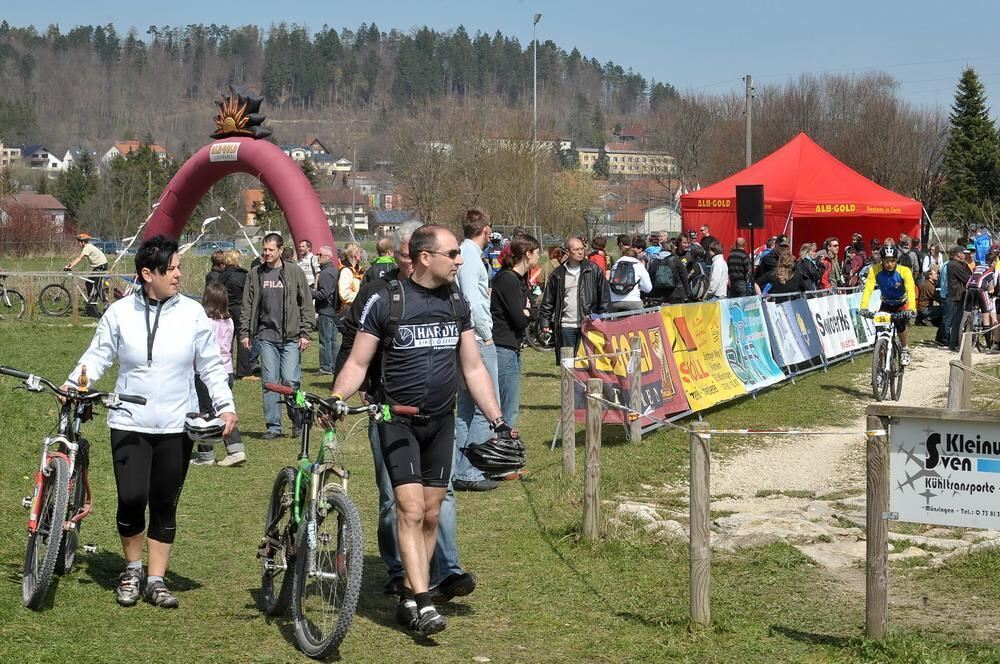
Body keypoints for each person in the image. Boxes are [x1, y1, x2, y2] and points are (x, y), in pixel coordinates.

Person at [330, 224, 512, 637]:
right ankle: (425, 602)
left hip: (440, 420)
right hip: (395, 421)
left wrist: (498, 420)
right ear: (426, 257)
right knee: (409, 509)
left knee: (431, 512)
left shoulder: (455, 300)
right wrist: (338, 398)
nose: (460, 260)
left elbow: (472, 367)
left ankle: (412, 595)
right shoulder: (384, 300)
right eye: (453, 254)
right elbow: (358, 363)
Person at [63, 235, 237, 608]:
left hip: (177, 424)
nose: (178, 275)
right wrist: (72, 384)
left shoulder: (193, 314)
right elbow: (97, 357)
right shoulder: (120, 314)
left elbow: (210, 365)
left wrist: (225, 405)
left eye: (177, 267)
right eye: (171, 268)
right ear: (147, 273)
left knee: (163, 503)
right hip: (129, 420)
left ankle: (156, 580)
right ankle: (132, 568)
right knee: (130, 498)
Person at [240, 232, 315, 439]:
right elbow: (247, 305)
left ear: (281, 250)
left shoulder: (294, 272)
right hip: (266, 337)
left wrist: (306, 332)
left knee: (291, 381)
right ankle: (273, 427)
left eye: (271, 250)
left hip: (291, 337)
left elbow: (306, 303)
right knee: (270, 382)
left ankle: (297, 420)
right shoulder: (255, 273)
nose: (266, 253)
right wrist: (245, 332)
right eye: (264, 249)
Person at [454, 208, 501, 492]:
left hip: (466, 337)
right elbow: (472, 299)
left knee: (466, 410)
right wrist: (485, 335)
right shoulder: (470, 257)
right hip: (477, 338)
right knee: (486, 407)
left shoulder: (463, 254)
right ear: (486, 229)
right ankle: (470, 470)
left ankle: (459, 467)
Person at [191, 282, 247, 467]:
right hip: (227, 370)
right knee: (223, 410)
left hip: (207, 371)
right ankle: (236, 448)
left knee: (205, 413)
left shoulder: (206, 322)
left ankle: (206, 455)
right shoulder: (229, 321)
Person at [491, 234, 540, 430]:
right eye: (536, 253)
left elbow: (533, 310)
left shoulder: (520, 280)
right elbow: (519, 319)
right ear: (527, 254)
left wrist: (528, 311)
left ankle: (505, 441)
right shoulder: (507, 279)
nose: (538, 256)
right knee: (507, 404)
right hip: (503, 346)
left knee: (512, 403)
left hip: (514, 346)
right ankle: (503, 443)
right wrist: (526, 313)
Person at [539, 235, 609, 362]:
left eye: (582, 249)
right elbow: (548, 300)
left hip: (588, 324)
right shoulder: (558, 274)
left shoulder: (594, 270)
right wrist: (545, 321)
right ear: (567, 251)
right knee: (568, 363)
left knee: (588, 363)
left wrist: (602, 318)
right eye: (576, 249)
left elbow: (604, 297)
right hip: (566, 325)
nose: (580, 252)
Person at [860, 245, 917, 365]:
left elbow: (910, 290)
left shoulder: (904, 271)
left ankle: (905, 349)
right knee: (880, 331)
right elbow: (868, 289)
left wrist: (912, 308)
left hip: (900, 303)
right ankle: (880, 364)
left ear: (896, 260)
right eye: (886, 261)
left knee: (900, 325)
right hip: (885, 303)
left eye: (892, 261)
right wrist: (864, 307)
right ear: (882, 260)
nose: (889, 264)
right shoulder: (874, 270)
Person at [217, 250, 254, 380]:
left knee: (224, 340)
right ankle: (244, 371)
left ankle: (222, 367)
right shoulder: (242, 276)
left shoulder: (221, 276)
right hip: (239, 310)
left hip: (224, 310)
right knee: (243, 340)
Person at [313, 245, 341, 375]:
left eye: (320, 255)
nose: (317, 257)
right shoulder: (334, 270)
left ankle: (325, 367)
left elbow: (324, 293)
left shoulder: (325, 273)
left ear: (328, 257)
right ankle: (335, 365)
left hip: (326, 310)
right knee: (333, 340)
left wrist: (310, 293)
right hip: (333, 310)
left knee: (325, 341)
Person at [65, 233, 109, 314]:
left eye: (79, 242)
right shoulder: (88, 247)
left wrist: (70, 266)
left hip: (101, 266)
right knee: (88, 283)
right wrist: (70, 265)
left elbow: (80, 258)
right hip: (98, 266)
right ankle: (91, 301)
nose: (78, 244)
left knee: (97, 284)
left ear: (83, 242)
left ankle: (106, 303)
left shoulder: (87, 247)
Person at [607, 234, 652, 312]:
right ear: (635, 256)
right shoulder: (638, 265)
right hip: (633, 301)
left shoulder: (616, 265)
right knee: (641, 321)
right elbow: (648, 288)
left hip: (614, 301)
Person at [964, 252, 999, 351]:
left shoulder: (978, 266)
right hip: (980, 289)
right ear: (993, 262)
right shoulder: (992, 269)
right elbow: (991, 288)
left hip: (970, 288)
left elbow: (971, 279)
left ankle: (965, 325)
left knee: (968, 311)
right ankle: (989, 345)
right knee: (986, 316)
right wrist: (992, 291)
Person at [647, 237, 692, 304]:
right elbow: (684, 277)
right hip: (676, 293)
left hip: (659, 294)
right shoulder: (676, 261)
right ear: (671, 248)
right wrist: (688, 293)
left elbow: (651, 277)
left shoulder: (654, 261)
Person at [946, 246, 973, 351]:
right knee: (957, 321)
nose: (965, 255)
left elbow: (970, 275)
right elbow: (967, 278)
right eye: (963, 253)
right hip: (957, 296)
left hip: (962, 295)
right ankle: (954, 343)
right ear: (958, 254)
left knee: (959, 320)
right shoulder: (953, 265)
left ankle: (956, 342)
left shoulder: (962, 265)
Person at [337, 242, 365, 315]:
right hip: (348, 313)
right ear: (355, 254)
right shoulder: (346, 271)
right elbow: (345, 295)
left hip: (357, 310)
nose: (361, 255)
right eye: (360, 252)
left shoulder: (359, 271)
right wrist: (363, 297)